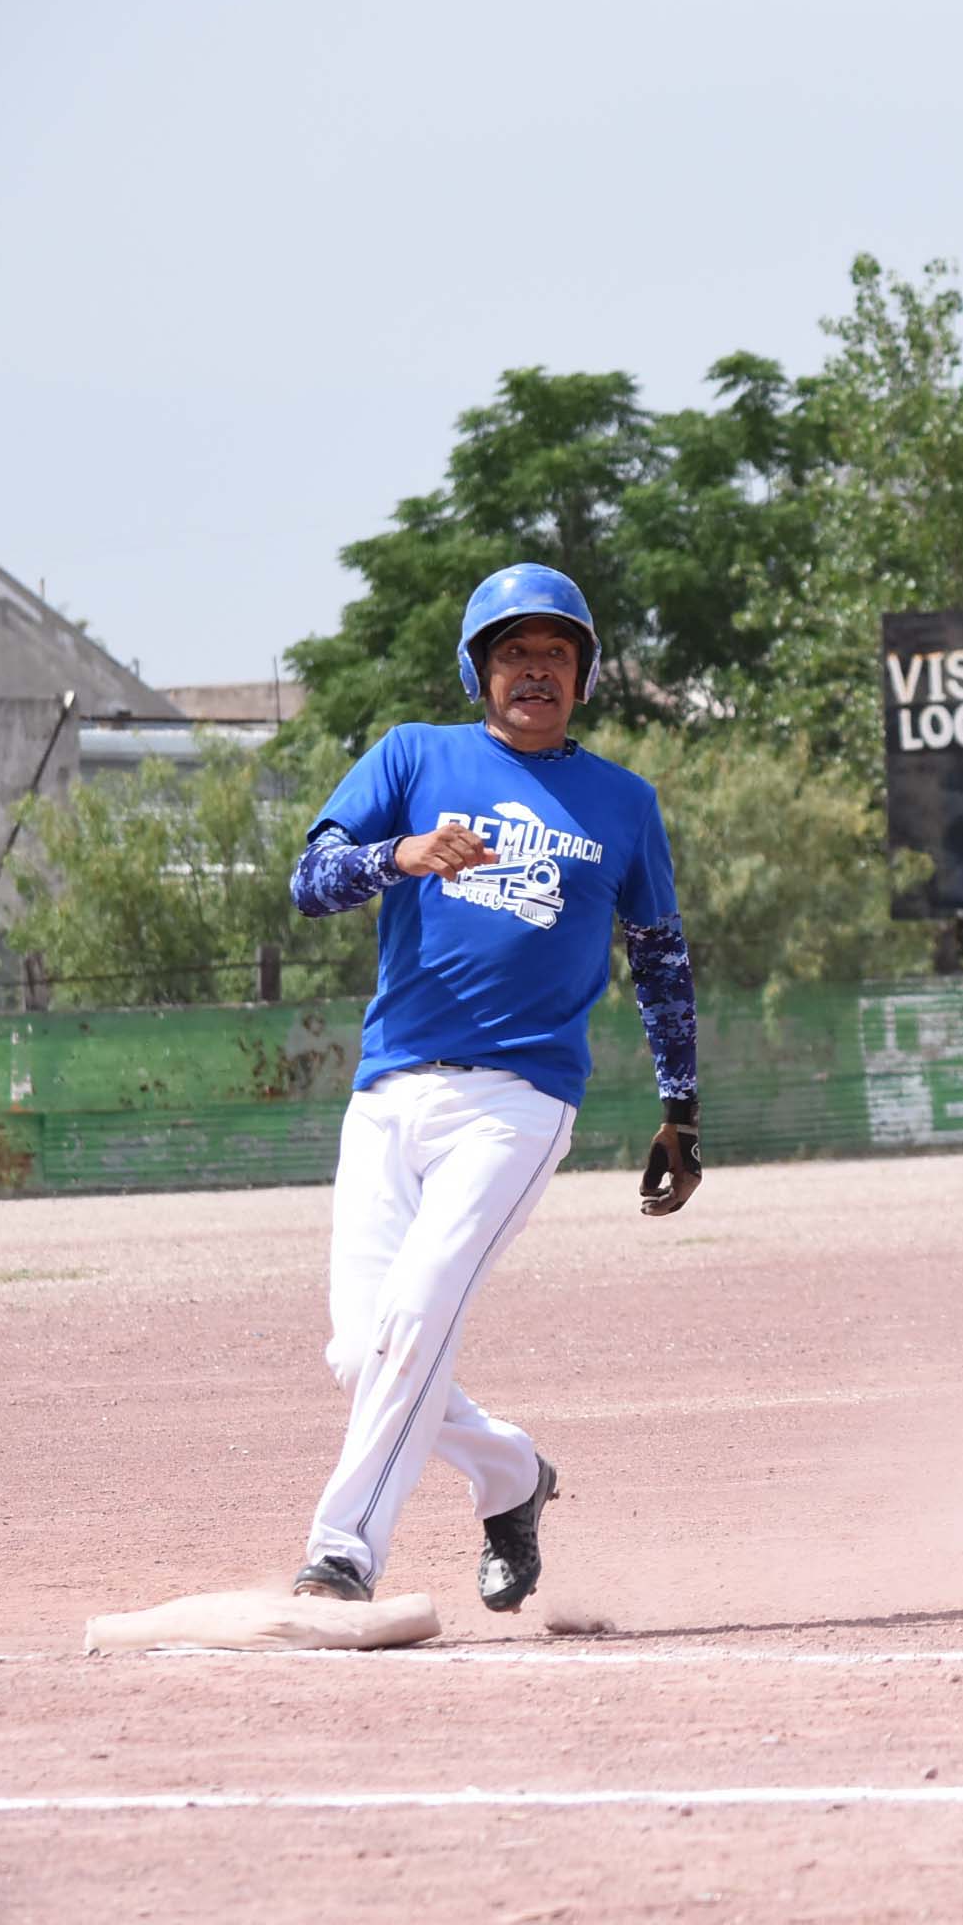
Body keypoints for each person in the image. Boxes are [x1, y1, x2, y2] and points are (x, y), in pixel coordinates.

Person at [281, 563, 704, 1611]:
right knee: (357, 1347)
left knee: (419, 1312)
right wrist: (401, 852)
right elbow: (309, 880)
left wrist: (680, 1109)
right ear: (479, 669)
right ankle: (513, 1476)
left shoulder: (621, 801)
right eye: (513, 652)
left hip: (519, 1100)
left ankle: (342, 1553)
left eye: (555, 654)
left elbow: (659, 956)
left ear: (583, 675)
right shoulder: (413, 755)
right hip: (387, 1094)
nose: (534, 670)